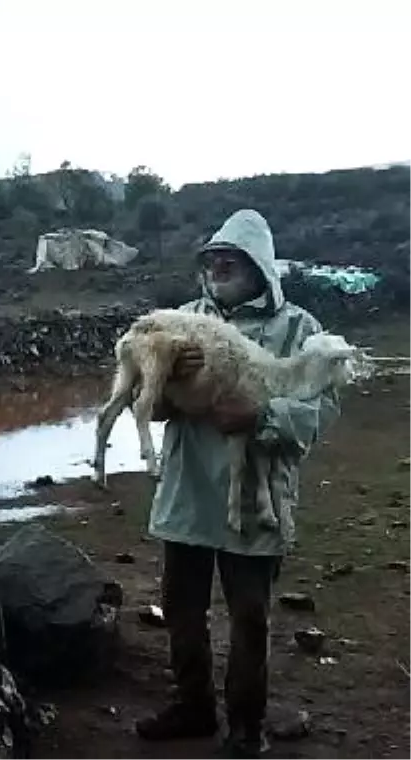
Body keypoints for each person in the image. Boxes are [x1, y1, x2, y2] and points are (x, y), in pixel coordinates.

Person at [135, 209, 341, 758]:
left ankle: (246, 726)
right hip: (187, 491)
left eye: (233, 258)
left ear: (260, 266)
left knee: (249, 614)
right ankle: (193, 706)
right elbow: (152, 406)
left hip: (256, 497)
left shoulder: (300, 330)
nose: (219, 265)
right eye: (213, 258)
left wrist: (261, 414)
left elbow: (321, 412)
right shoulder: (179, 322)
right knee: (181, 606)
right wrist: (166, 391)